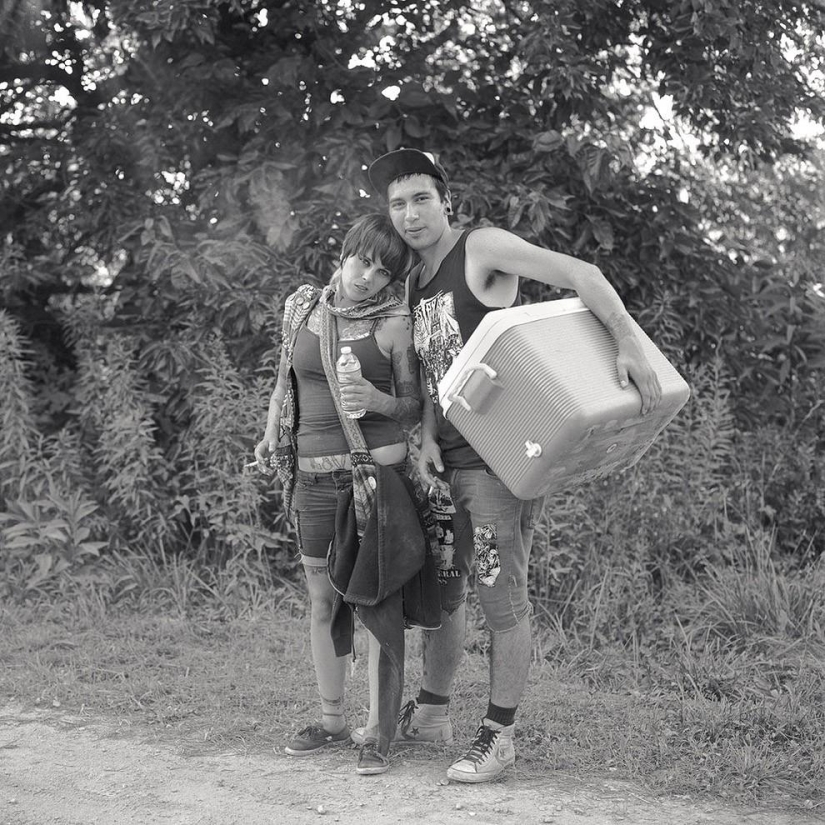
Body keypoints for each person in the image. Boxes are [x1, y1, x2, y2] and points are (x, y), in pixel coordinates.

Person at [355, 148, 663, 784]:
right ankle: (435, 711)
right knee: (451, 590)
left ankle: (499, 736)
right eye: (397, 204)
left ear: (446, 201)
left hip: (502, 457)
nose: (410, 214)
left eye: (421, 199)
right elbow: (444, 368)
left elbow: (582, 272)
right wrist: (431, 435)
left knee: (502, 597)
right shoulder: (414, 278)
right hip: (450, 460)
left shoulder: (482, 249)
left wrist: (628, 337)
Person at [254, 213, 420, 776]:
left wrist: (374, 398)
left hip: (372, 480)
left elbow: (413, 409)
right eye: (362, 260)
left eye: (382, 270)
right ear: (344, 252)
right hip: (310, 481)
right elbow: (284, 382)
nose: (368, 275)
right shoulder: (302, 307)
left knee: (372, 603)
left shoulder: (396, 323)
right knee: (323, 601)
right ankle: (331, 722)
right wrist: (271, 430)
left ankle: (377, 733)